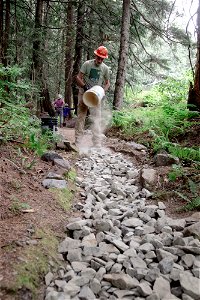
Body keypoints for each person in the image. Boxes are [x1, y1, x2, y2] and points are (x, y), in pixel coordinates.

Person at [75, 45, 110, 147]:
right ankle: (78, 141)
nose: (99, 60)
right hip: (84, 92)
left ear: (104, 58)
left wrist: (103, 91)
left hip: (96, 95)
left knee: (96, 117)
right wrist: (84, 86)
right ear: (95, 55)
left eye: (102, 58)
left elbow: (107, 83)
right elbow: (78, 77)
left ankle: (97, 142)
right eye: (98, 57)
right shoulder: (87, 64)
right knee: (81, 116)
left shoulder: (105, 68)